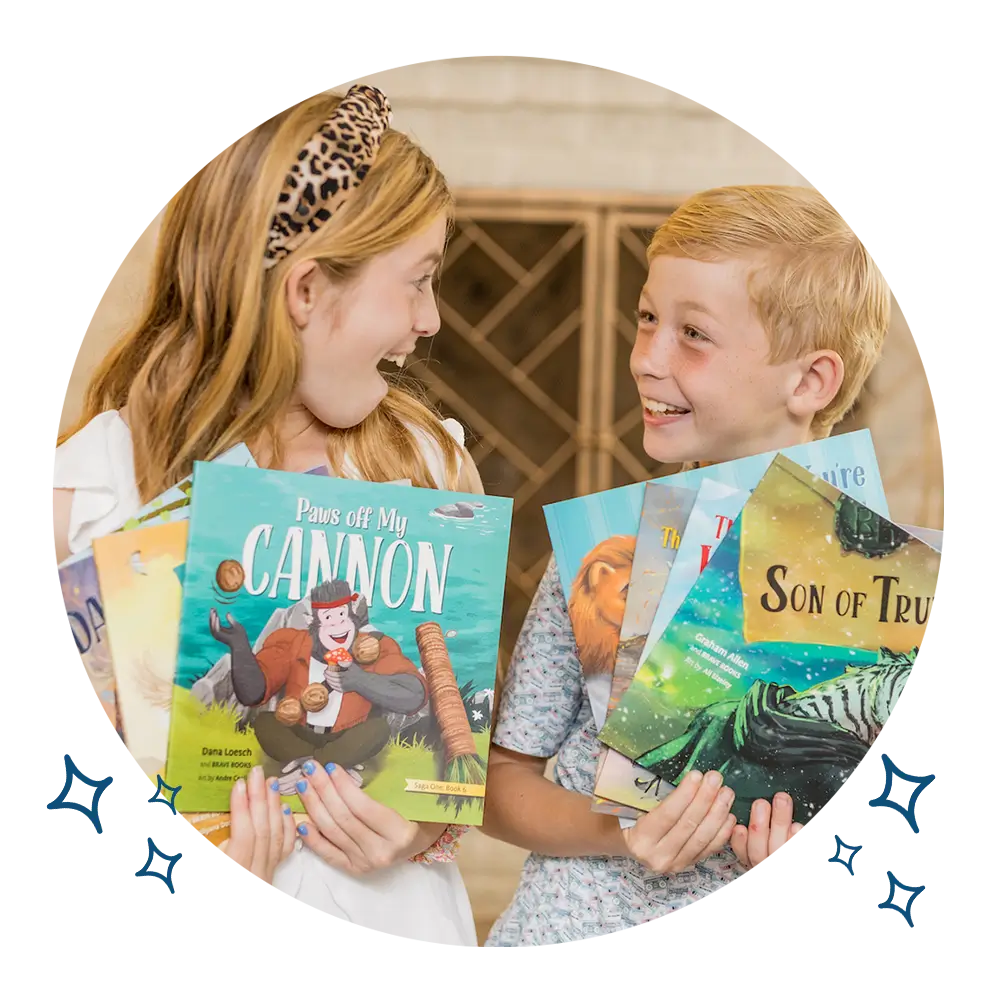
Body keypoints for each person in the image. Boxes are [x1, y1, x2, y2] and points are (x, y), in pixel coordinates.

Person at [48, 85, 482, 951]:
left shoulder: (428, 460)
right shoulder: (82, 496)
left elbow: (460, 742)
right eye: (419, 283)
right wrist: (192, 869)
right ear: (308, 290)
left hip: (399, 929)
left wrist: (424, 827)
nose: (428, 324)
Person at [481, 185, 893, 950]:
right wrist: (623, 832)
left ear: (810, 381)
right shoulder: (609, 551)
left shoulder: (892, 593)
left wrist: (813, 859)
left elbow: (912, 842)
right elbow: (499, 787)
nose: (646, 359)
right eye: (646, 318)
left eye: (692, 334)